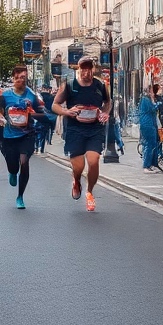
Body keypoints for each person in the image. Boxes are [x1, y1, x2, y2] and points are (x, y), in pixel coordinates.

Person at [53, 57, 111, 212]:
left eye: (89, 68)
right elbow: (55, 105)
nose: (86, 72)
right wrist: (67, 111)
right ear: (78, 69)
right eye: (83, 69)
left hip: (94, 129)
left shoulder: (100, 85)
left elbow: (108, 103)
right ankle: (76, 180)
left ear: (93, 69)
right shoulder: (69, 86)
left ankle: (90, 192)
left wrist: (105, 113)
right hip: (74, 130)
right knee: (79, 167)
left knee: (94, 161)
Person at [0, 65, 47, 209]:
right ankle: (12, 172)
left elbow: (42, 113)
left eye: (23, 77)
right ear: (13, 79)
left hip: (27, 134)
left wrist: (32, 114)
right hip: (9, 136)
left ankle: (20, 196)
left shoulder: (32, 96)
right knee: (13, 165)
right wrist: (1, 117)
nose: (21, 80)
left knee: (24, 162)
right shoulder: (5, 95)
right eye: (18, 78)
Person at [138, 85, 160, 172]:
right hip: (148, 124)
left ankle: (151, 164)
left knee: (153, 144)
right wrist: (157, 104)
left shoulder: (148, 99)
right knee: (149, 144)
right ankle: (146, 166)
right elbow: (152, 109)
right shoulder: (146, 99)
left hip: (151, 124)